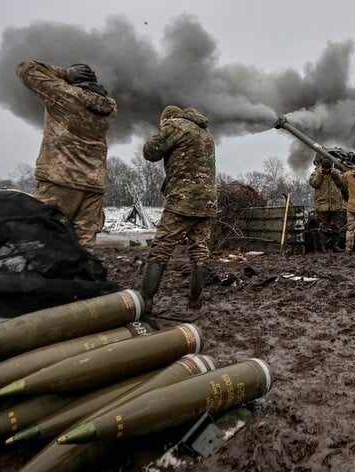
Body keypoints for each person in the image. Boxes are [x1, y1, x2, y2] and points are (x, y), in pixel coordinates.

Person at [16, 61, 117, 251]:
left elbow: (25, 68)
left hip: (61, 179)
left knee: (45, 239)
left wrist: (63, 74)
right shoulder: (110, 108)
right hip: (94, 183)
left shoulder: (64, 95)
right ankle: (84, 279)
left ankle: (49, 280)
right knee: (85, 245)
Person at [140, 105, 216, 314]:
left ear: (167, 118)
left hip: (182, 201)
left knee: (161, 249)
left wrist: (165, 127)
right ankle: (195, 302)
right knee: (199, 253)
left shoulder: (176, 126)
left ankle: (145, 301)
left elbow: (150, 152)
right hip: (207, 203)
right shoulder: (205, 133)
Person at [308, 158, 345, 252]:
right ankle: (323, 246)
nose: (327, 170)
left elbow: (342, 182)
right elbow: (314, 183)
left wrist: (335, 174)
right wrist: (320, 174)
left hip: (335, 204)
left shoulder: (336, 172)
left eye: (329, 168)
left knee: (335, 226)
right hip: (322, 204)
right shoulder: (316, 172)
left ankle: (335, 245)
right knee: (323, 226)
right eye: (325, 168)